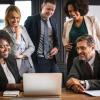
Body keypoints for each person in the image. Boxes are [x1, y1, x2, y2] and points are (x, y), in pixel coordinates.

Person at [62, 0, 100, 75]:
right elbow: (64, 37)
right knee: (72, 81)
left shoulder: (92, 20)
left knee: (87, 81)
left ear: (81, 9)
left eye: (75, 10)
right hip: (72, 57)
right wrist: (65, 45)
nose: (72, 13)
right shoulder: (67, 24)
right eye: (70, 11)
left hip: (88, 57)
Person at [24, 0, 59, 72]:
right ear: (42, 6)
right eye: (48, 9)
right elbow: (24, 38)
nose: (50, 12)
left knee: (57, 80)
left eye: (52, 10)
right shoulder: (31, 20)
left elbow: (56, 41)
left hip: (51, 59)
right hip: (37, 59)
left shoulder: (54, 22)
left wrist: (56, 48)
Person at [3, 5, 35, 76]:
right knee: (20, 86)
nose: (15, 20)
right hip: (16, 66)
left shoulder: (23, 28)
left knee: (33, 86)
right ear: (7, 18)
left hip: (29, 64)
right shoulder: (4, 32)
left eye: (17, 17)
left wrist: (22, 55)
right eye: (12, 17)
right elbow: (11, 54)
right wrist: (17, 36)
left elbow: (32, 47)